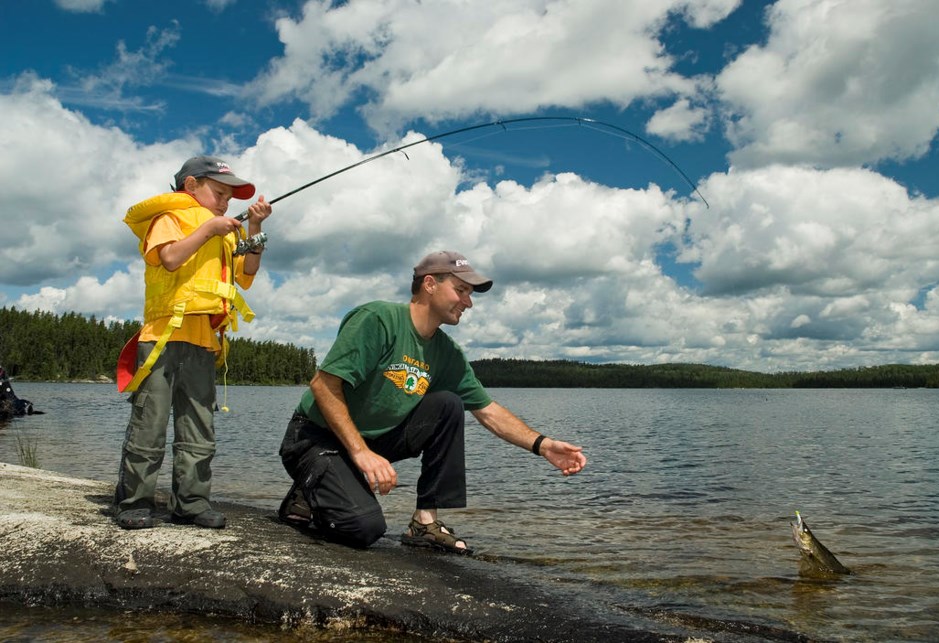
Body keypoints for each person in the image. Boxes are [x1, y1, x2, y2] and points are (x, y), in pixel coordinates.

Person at [278, 250, 587, 553]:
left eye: (470, 293)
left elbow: (488, 411)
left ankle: (424, 524)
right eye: (461, 290)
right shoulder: (377, 320)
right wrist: (360, 453)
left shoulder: (446, 352)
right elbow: (323, 385)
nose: (468, 302)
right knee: (365, 528)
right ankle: (309, 490)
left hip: (369, 441)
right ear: (429, 284)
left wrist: (543, 445)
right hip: (315, 437)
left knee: (448, 404)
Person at [114, 156, 272, 530]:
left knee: (199, 428)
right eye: (219, 192)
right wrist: (210, 229)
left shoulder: (227, 231)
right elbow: (169, 258)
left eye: (229, 198)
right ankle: (134, 502)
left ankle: (192, 503)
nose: (225, 202)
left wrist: (254, 226)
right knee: (148, 425)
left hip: (204, 343)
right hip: (162, 338)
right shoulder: (168, 219)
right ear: (190, 185)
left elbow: (246, 273)